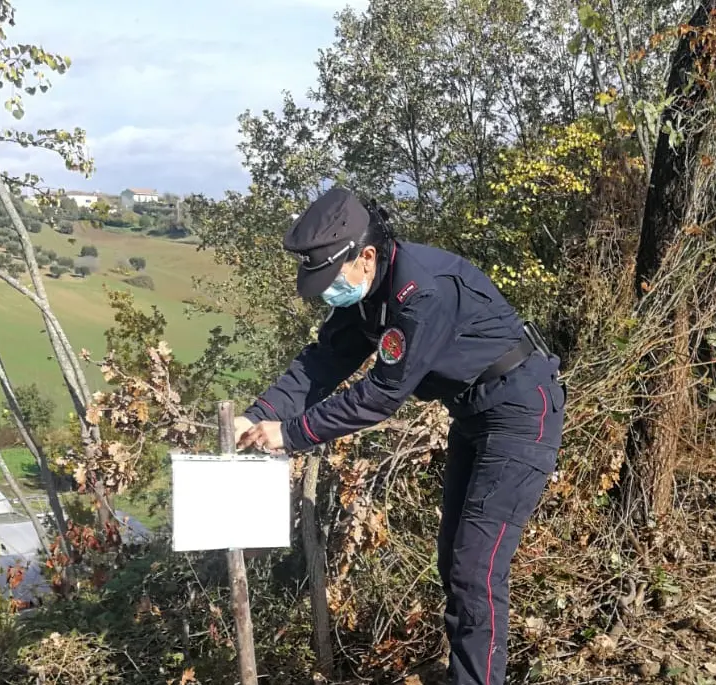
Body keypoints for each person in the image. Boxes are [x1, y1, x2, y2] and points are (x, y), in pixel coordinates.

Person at [234, 187, 566, 685]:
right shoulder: (368, 294)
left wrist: (292, 434)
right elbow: (322, 362)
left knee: (476, 567)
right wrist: (257, 414)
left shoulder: (422, 293)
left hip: (520, 410)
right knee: (454, 560)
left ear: (365, 256)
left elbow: (378, 396)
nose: (326, 292)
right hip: (474, 412)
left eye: (330, 278)